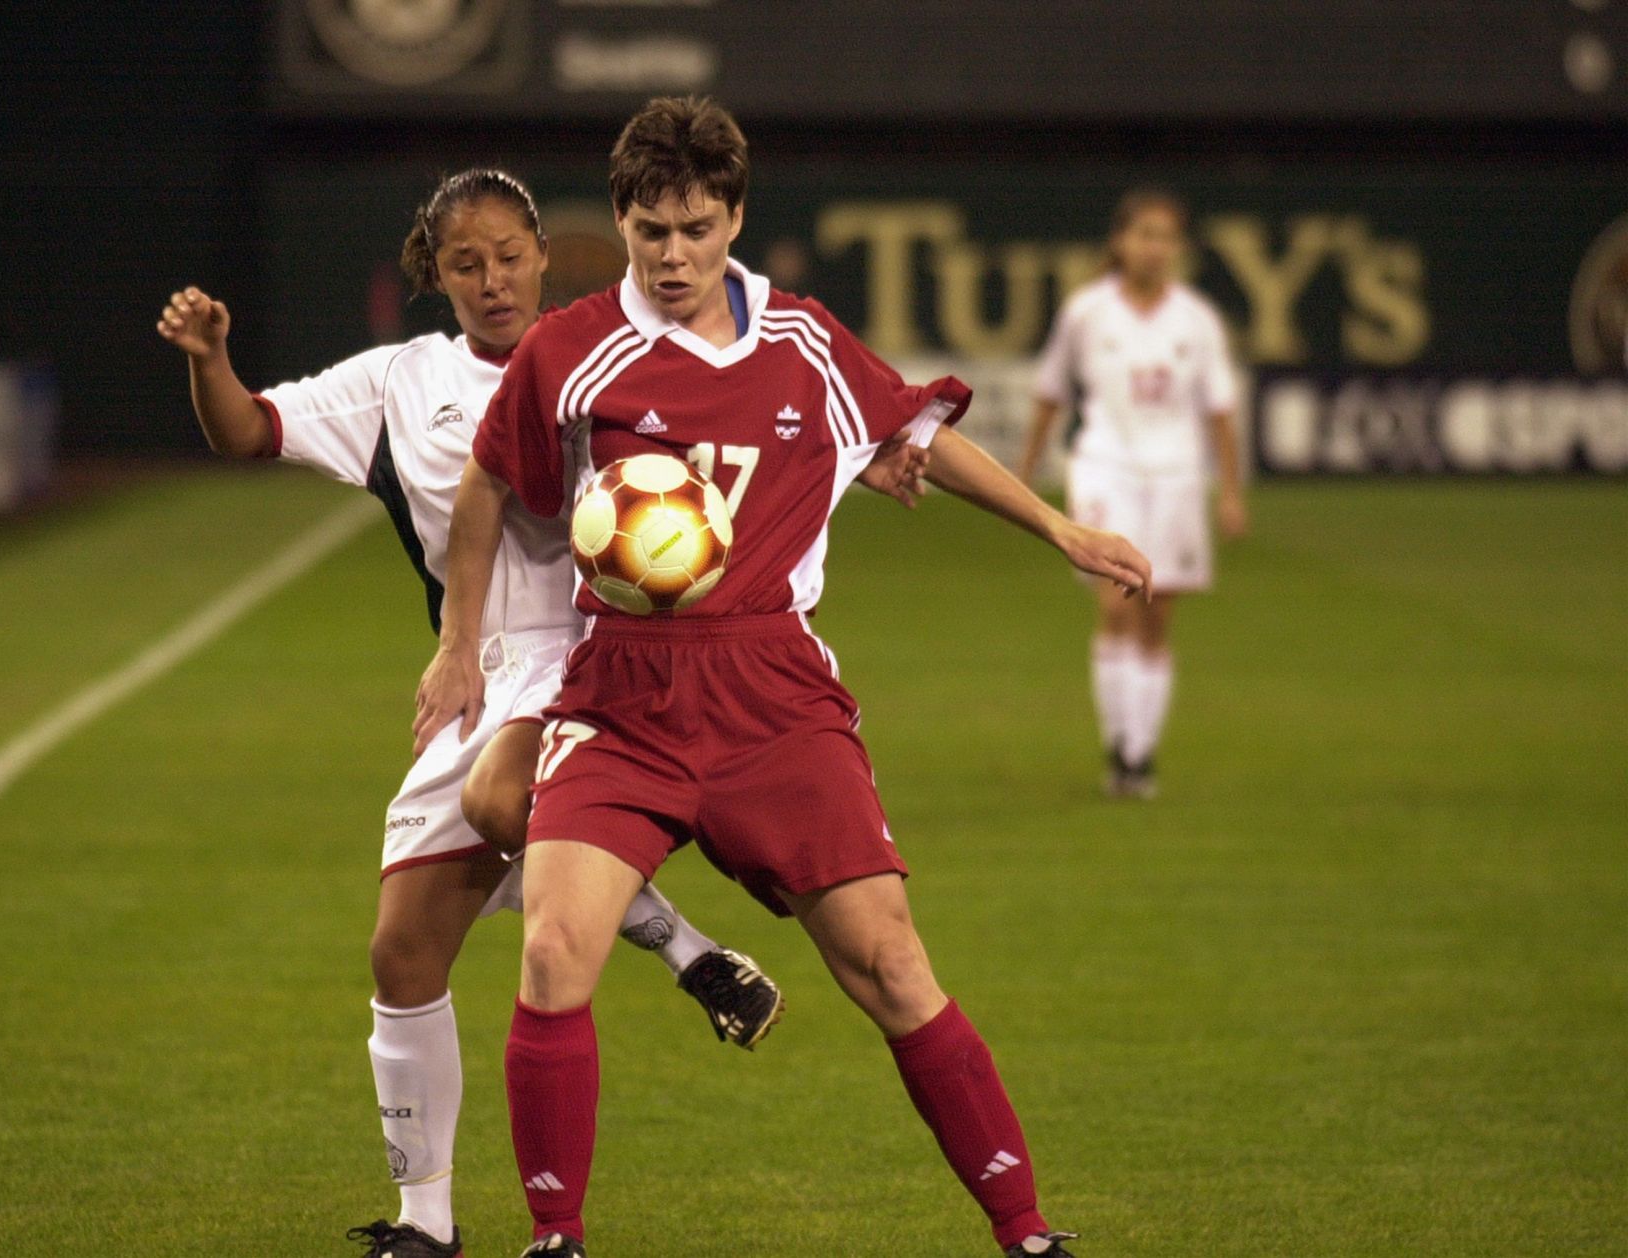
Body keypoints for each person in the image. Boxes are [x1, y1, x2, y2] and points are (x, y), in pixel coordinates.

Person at [416, 98, 1152, 1258]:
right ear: (622, 221)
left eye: (695, 229)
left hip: (773, 699)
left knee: (892, 964)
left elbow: (916, 430)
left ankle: (1025, 1231)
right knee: (556, 946)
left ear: (735, 219)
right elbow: (484, 489)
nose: (671, 255)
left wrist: (1061, 529)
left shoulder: (803, 339)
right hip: (622, 697)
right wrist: (458, 643)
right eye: (650, 230)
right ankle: (555, 1236)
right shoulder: (569, 349)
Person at [155, 167, 923, 1258]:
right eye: (466, 262)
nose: (494, 278)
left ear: (543, 253)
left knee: (507, 800)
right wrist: (211, 361)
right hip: (481, 675)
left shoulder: (600, 354)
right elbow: (246, 432)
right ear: (436, 274)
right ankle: (428, 1221)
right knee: (401, 956)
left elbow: (757, 429)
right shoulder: (398, 382)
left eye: (512, 253)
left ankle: (677, 952)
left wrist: (883, 449)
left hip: (604, 661)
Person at [1018, 186, 1247, 799]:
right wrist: (1025, 472)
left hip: (1175, 474)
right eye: (1143, 233)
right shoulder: (1087, 311)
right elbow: (1050, 392)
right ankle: (1122, 745)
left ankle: (1140, 752)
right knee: (1116, 602)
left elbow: (1219, 409)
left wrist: (1229, 491)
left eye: (1165, 236)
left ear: (1178, 248)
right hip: (1105, 466)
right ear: (1120, 241)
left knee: (1155, 615)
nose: (1153, 247)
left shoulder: (1196, 321)